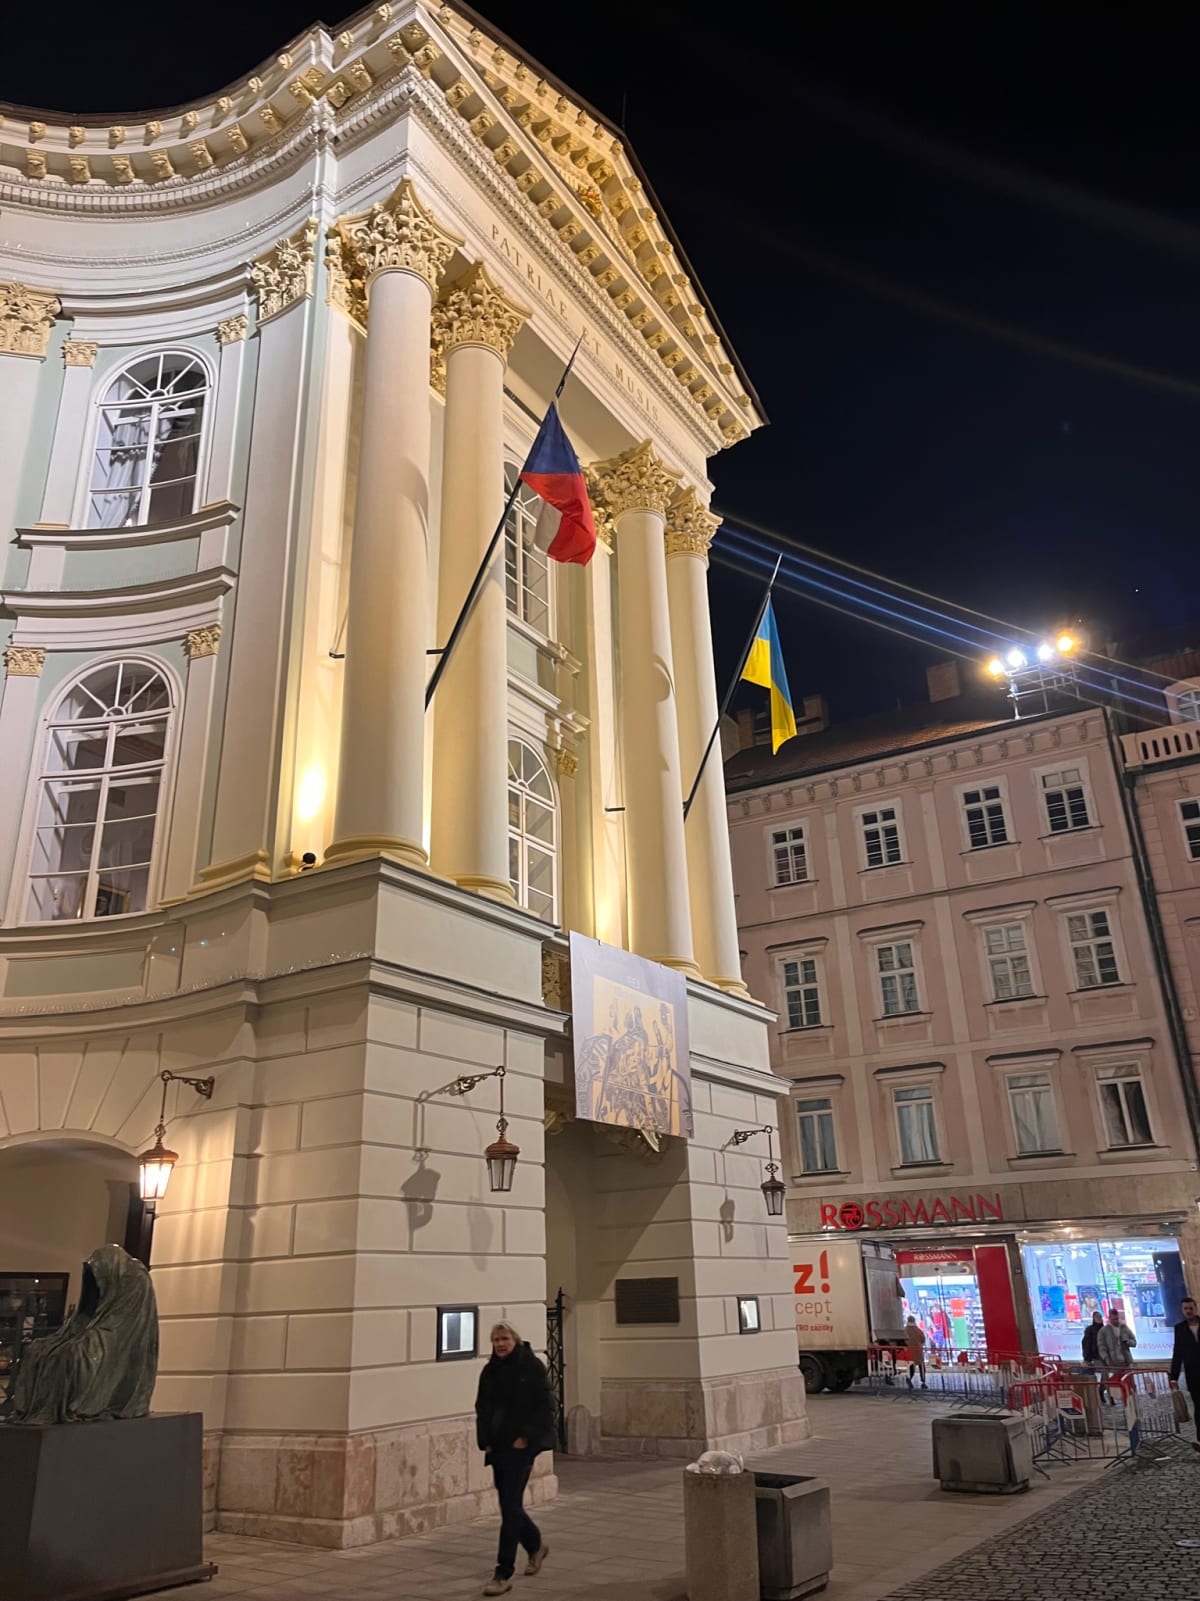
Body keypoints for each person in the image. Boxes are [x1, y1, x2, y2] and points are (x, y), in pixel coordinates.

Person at [474, 1320, 555, 1596]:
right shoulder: (490, 1371)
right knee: (509, 1504)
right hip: (498, 1448)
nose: (500, 1344)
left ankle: (503, 1572)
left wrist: (527, 1438)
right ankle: (535, 1546)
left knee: (510, 1508)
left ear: (515, 1340)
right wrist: (485, 1440)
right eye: (496, 1340)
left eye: (504, 1339)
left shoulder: (530, 1367)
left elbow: (544, 1407)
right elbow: (482, 1407)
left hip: (521, 1448)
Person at [1168, 1295, 1200, 1447]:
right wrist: (1173, 1377)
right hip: (1193, 1375)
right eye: (1185, 1309)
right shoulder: (1179, 1329)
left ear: (1196, 1308)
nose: (1189, 1311)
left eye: (1191, 1308)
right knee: (1198, 1406)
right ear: (1182, 1310)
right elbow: (1177, 1353)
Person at [1096, 1305, 1137, 1396]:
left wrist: (1128, 1342)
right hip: (1113, 1362)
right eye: (1114, 1319)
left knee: (1128, 1382)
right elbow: (1101, 1346)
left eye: (1117, 1319)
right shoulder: (1103, 1331)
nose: (1116, 1321)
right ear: (1109, 1318)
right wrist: (1106, 1358)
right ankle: (1109, 1395)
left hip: (1126, 1361)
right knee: (1115, 1383)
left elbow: (1134, 1342)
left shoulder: (1124, 1328)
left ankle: (1129, 1400)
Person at [1081, 1310, 1109, 1404]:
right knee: (1100, 1374)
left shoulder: (1105, 1329)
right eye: (1097, 1317)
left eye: (1100, 1317)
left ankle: (1101, 1391)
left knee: (1105, 1377)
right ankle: (1095, 1394)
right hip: (1095, 1357)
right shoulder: (1090, 1330)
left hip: (1104, 1356)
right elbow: (1086, 1344)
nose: (1099, 1319)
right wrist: (1087, 1358)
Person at [904, 1315, 927, 1388]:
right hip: (918, 1351)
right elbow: (923, 1339)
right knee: (921, 1366)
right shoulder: (918, 1330)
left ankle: (909, 1378)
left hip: (909, 1352)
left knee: (910, 1366)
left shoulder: (904, 1330)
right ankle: (923, 1381)